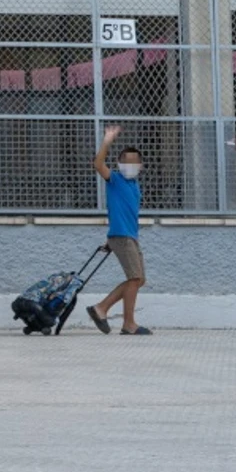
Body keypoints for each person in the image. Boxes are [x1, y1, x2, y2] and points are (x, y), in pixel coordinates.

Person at [87, 125, 151, 336]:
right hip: (122, 237)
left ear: (141, 166)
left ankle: (102, 308)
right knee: (134, 278)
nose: (129, 165)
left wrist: (111, 238)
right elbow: (98, 164)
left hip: (127, 236)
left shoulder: (135, 186)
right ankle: (127, 323)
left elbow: (121, 212)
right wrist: (107, 140)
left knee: (139, 280)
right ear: (119, 164)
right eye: (125, 161)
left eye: (133, 162)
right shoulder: (115, 180)